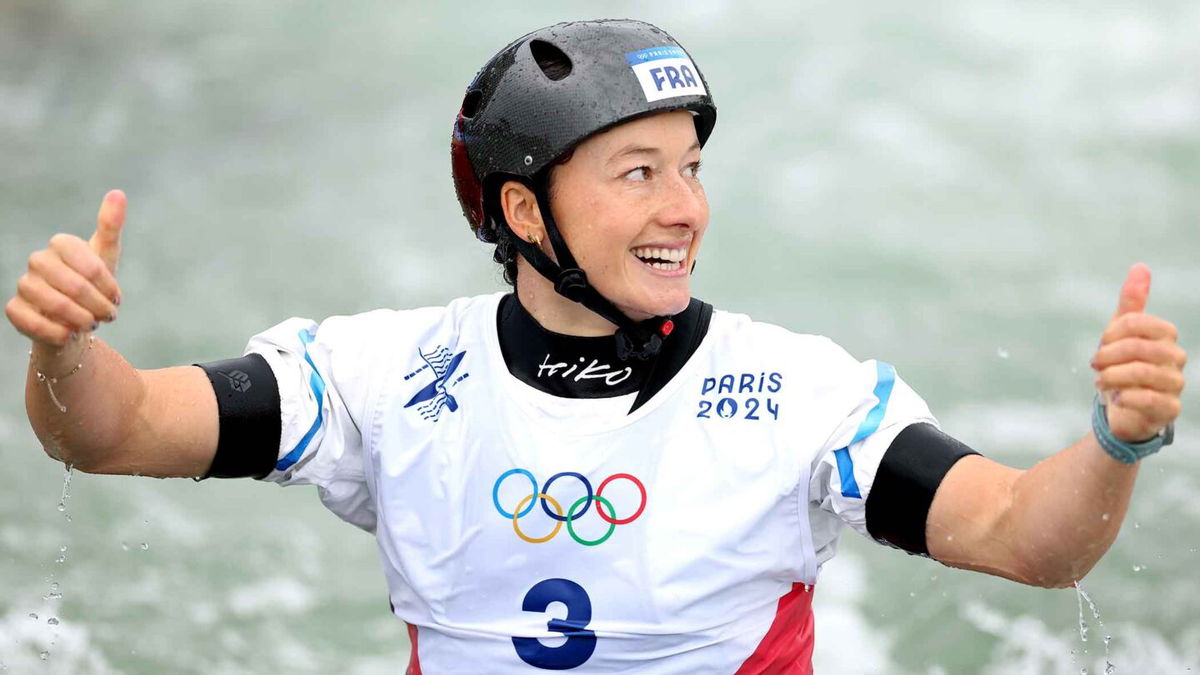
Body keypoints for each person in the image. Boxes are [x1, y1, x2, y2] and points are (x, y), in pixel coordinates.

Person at [5, 19, 1186, 674]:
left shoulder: (801, 394)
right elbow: (112, 433)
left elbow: (1031, 542)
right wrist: (64, 351)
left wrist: (1115, 438)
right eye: (639, 173)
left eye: (691, 169)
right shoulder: (377, 377)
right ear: (525, 213)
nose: (687, 208)